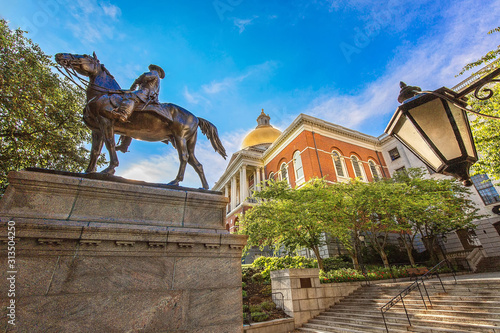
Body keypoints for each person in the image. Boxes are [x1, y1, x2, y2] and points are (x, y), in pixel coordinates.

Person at [115, 64, 165, 153]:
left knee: (130, 96)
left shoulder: (154, 73)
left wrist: (136, 82)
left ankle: (123, 114)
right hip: (149, 95)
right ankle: (124, 145)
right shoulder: (157, 78)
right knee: (131, 121)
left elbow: (145, 76)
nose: (151, 70)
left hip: (145, 94)